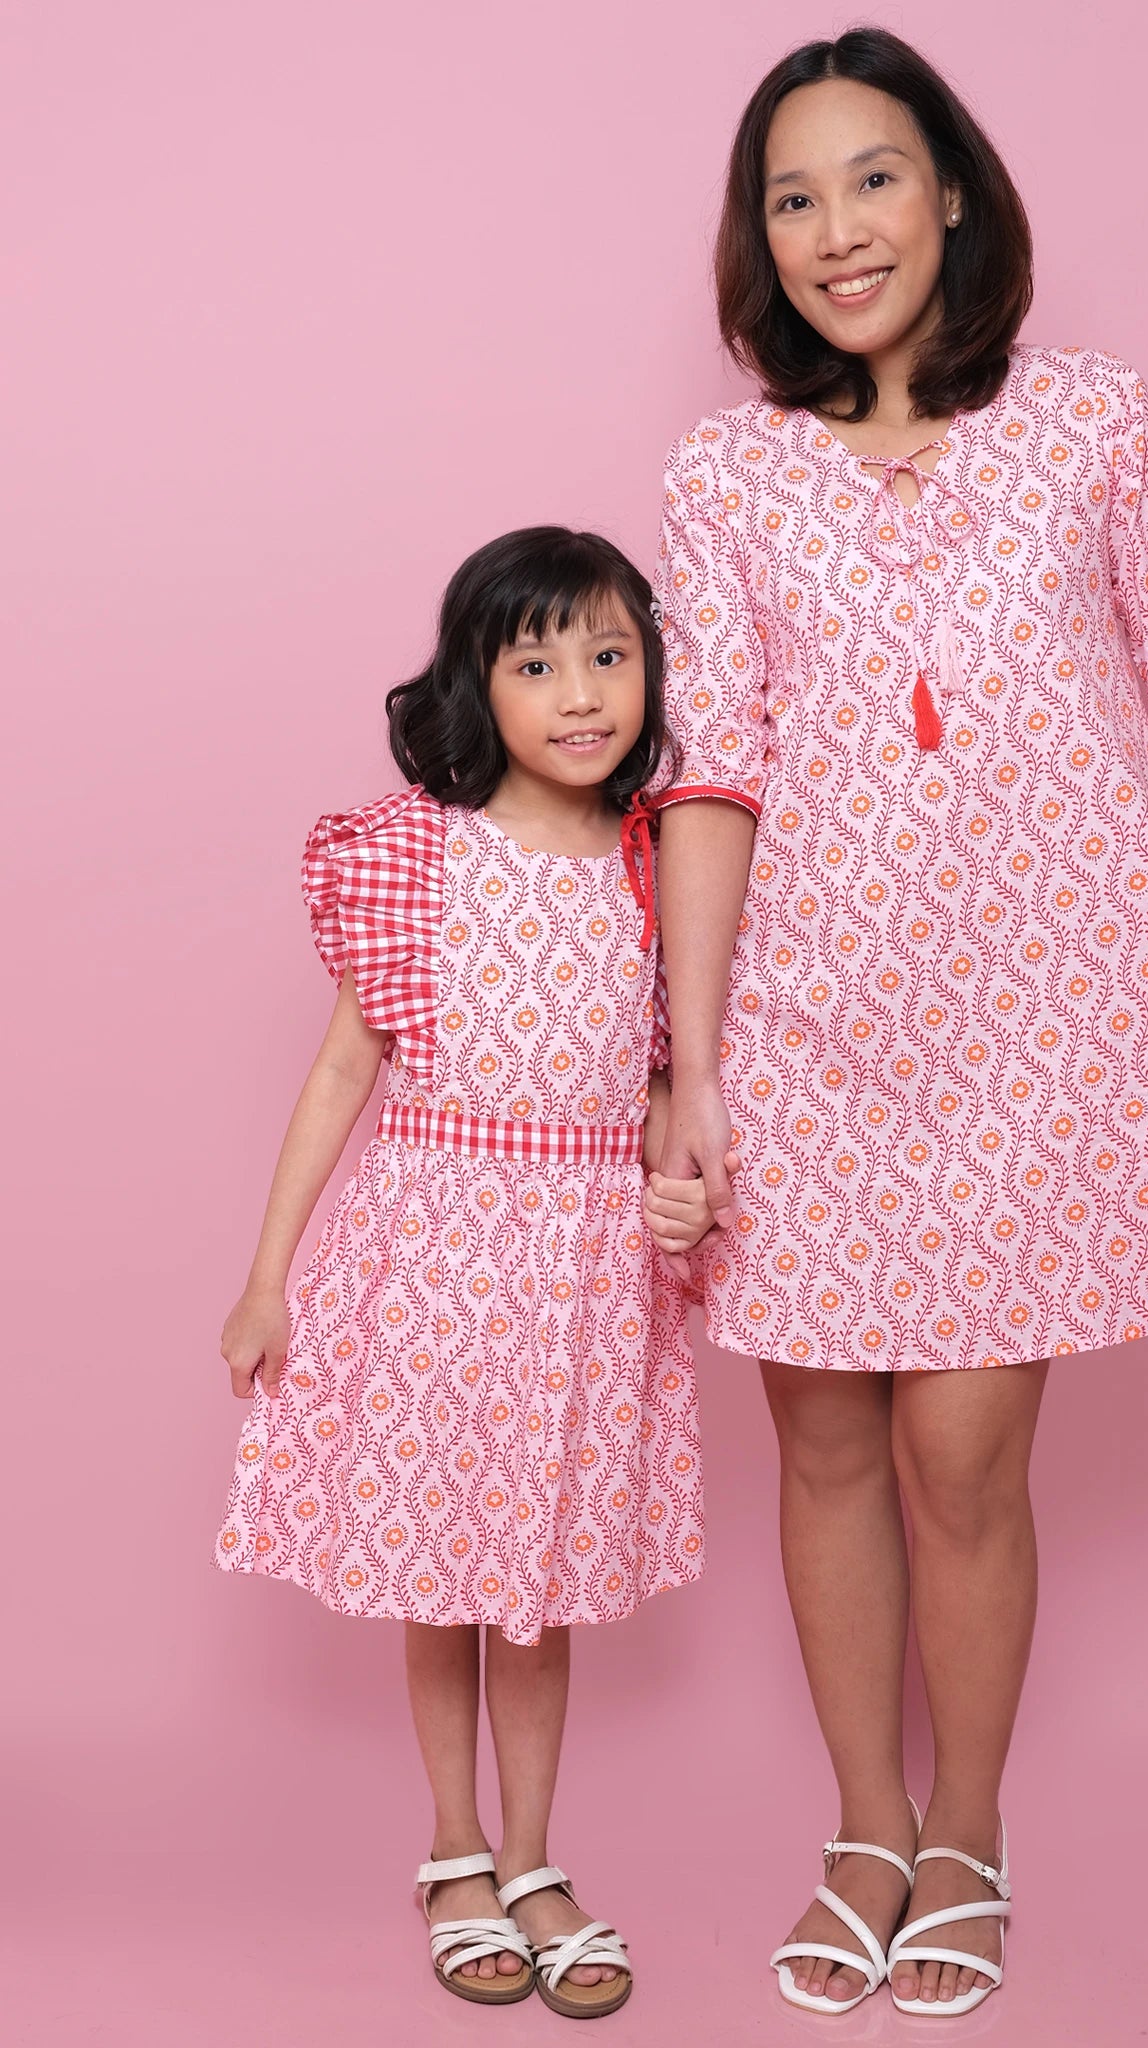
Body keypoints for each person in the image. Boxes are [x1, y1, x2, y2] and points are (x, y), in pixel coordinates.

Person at [647, 27, 1148, 2019]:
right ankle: (863, 1826)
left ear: (954, 190)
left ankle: (964, 1825)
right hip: (806, 1024)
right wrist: (696, 1062)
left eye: (872, 180)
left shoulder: (1092, 424)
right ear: (761, 240)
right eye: (791, 199)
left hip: (1036, 1031)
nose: (835, 232)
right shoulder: (722, 476)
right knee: (821, 1444)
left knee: (963, 1459)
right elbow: (709, 773)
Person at [216, 527, 719, 2019]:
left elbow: (649, 1084)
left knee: (538, 1583)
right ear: (476, 683)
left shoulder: (654, 862)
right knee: (442, 1576)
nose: (582, 692)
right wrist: (268, 1277)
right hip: (431, 1244)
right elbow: (338, 1077)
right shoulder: (419, 854)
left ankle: (536, 1853)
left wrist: (673, 1185)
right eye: (537, 660)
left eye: (610, 655)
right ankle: (453, 1853)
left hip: (579, 1266)